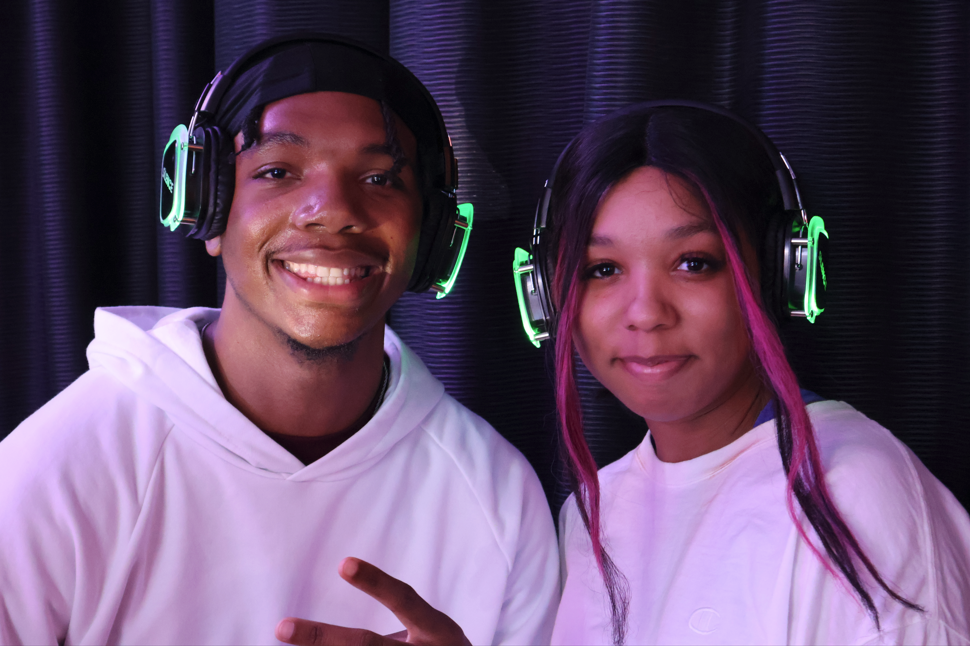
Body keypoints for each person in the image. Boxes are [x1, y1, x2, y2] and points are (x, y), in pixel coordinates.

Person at [0, 34, 559, 644]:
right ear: (206, 208)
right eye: (277, 172)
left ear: (432, 236)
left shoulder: (500, 495)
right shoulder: (54, 473)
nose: (331, 209)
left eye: (379, 177)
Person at [520, 102, 970, 644]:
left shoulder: (851, 493)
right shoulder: (592, 511)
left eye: (694, 262)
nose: (645, 312)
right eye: (603, 269)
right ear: (546, 295)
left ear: (782, 272)